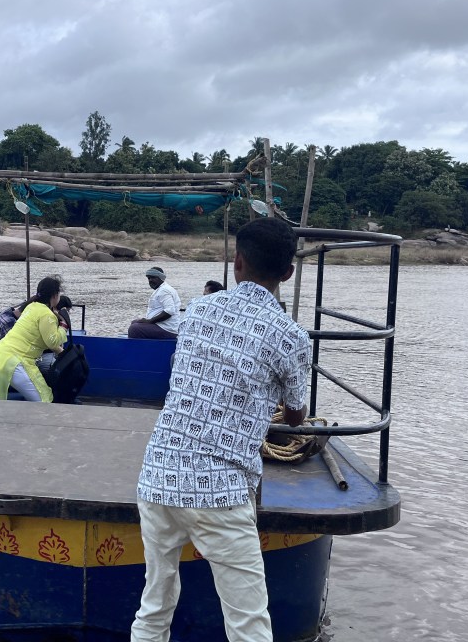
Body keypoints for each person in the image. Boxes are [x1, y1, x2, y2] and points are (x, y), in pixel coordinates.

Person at [130, 218, 310, 642]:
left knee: (154, 607)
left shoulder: (197, 310)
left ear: (237, 263)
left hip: (158, 476)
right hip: (221, 490)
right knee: (248, 623)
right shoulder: (291, 336)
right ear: (288, 273)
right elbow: (296, 416)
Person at [0, 276, 68, 402]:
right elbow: (52, 342)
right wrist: (63, 326)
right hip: (14, 361)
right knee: (44, 399)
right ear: (55, 295)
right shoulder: (47, 315)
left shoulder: (31, 307)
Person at [128, 267, 181, 339]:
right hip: (161, 326)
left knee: (134, 329)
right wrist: (147, 321)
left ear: (161, 278)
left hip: (167, 329)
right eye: (149, 278)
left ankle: (137, 346)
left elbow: (169, 311)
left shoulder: (164, 290)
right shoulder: (161, 289)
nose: (150, 280)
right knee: (135, 322)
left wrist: (149, 321)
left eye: (153, 278)